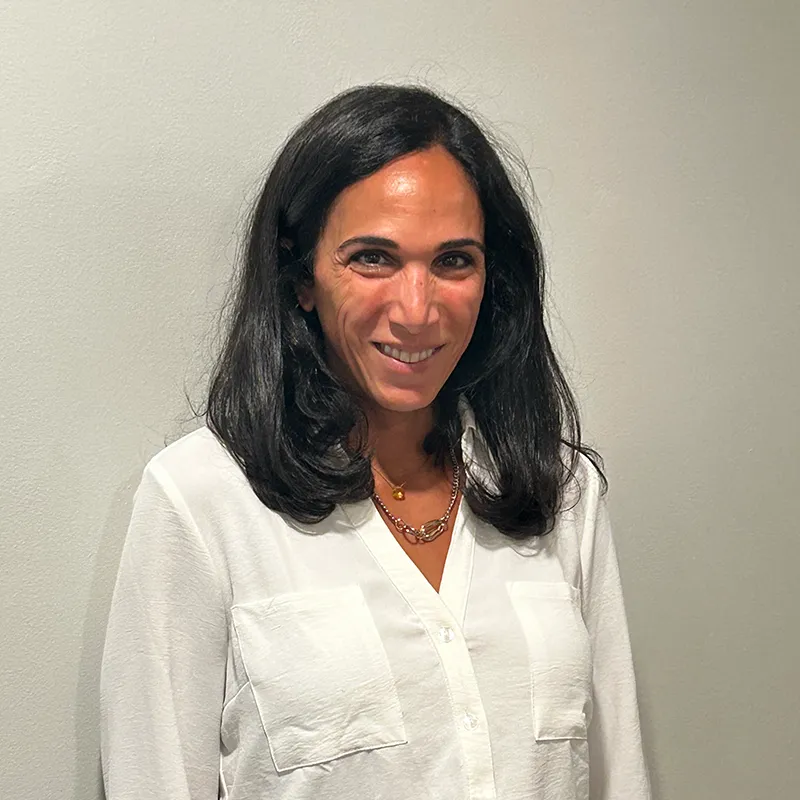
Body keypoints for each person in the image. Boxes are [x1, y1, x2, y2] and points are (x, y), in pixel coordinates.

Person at [100, 84, 650, 800]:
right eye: (372, 259)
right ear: (302, 280)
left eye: (454, 261)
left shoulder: (560, 491)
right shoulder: (203, 501)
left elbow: (619, 777)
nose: (417, 310)